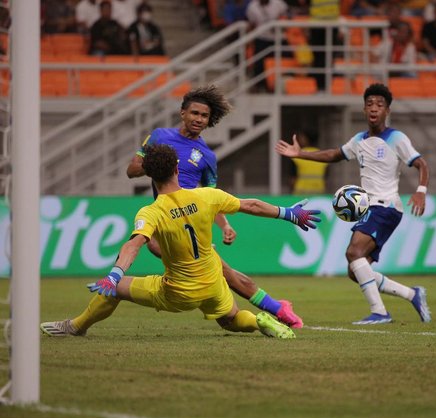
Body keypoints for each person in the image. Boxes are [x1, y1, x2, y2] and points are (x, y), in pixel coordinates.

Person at [40, 144, 321, 339]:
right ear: (177, 167)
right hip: (213, 283)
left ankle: (75, 326)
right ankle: (260, 321)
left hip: (179, 291)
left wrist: (114, 276)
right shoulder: (206, 196)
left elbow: (135, 244)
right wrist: (290, 214)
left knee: (115, 290)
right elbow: (252, 205)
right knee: (231, 319)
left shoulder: (152, 211)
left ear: (149, 175)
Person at [126, 85, 304, 328]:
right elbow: (131, 170)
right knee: (163, 249)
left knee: (225, 274)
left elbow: (214, 198)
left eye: (204, 116)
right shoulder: (159, 136)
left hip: (191, 218)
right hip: (166, 215)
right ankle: (272, 308)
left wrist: (225, 224)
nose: (199, 119)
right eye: (195, 113)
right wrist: (159, 166)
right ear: (183, 113)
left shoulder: (207, 156)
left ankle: (276, 309)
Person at [275, 83, 432, 325]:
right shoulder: (359, 140)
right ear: (364, 109)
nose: (374, 108)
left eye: (379, 105)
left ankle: (380, 312)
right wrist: (300, 154)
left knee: (353, 253)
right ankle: (412, 295)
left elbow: (421, 163)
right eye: (369, 104)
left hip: (386, 206)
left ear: (387, 110)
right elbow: (334, 155)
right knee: (355, 270)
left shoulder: (396, 138)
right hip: (371, 209)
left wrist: (421, 191)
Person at [288, 130, 329, 195]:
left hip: (300, 194)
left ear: (306, 139)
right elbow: (326, 179)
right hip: (319, 193)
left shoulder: (297, 156)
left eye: (301, 137)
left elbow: (292, 179)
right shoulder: (323, 155)